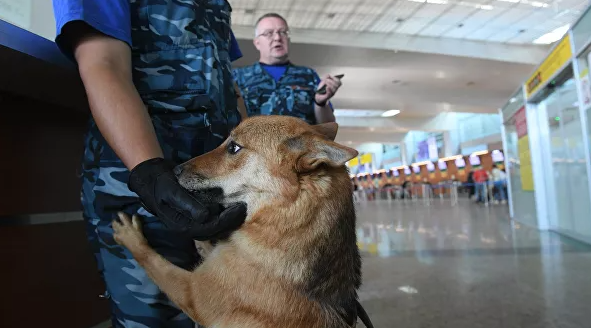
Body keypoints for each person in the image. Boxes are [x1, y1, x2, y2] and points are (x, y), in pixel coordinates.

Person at [52, 1, 247, 327]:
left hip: (218, 184)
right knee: (158, 318)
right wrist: (151, 174)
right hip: (143, 184)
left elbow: (228, 83)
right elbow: (103, 63)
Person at [233, 13, 341, 125]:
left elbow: (327, 126)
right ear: (257, 43)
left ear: (288, 39)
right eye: (269, 33)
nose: (277, 38)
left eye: (283, 32)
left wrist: (321, 103)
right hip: (254, 142)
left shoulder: (308, 76)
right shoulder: (238, 77)